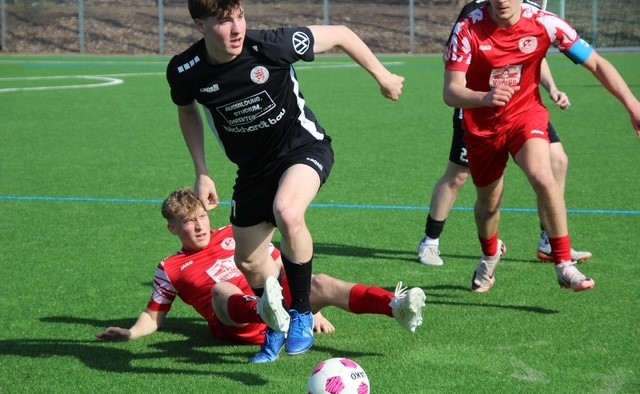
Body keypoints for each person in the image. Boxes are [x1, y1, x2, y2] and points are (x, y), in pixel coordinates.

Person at [165, 0, 404, 356]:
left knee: (288, 212)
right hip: (253, 171)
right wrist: (202, 171)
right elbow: (187, 112)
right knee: (248, 261)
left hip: (302, 148)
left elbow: (341, 34)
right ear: (201, 26)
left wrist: (383, 76)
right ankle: (275, 321)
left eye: (240, 17)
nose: (237, 28)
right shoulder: (186, 70)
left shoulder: (272, 45)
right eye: (225, 21)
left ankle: (302, 313)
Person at [96, 188, 426, 364]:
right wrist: (131, 333)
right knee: (221, 289)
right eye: (188, 222)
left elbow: (284, 266)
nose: (198, 226)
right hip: (236, 323)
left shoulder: (233, 233)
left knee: (321, 282)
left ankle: (394, 305)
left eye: (200, 217)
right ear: (172, 229)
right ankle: (266, 311)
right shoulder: (169, 267)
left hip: (281, 301)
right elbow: (154, 315)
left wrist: (311, 308)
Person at [443, 0, 640, 293]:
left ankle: (563, 263)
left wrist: (633, 106)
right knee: (488, 205)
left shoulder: (545, 23)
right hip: (482, 127)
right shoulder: (468, 28)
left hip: (525, 115)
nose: (502, 1)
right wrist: (484, 98)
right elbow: (451, 91)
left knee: (543, 175)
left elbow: (597, 63)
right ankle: (490, 254)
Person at [418, 0, 591, 267]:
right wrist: (483, 86)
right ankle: (430, 241)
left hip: (523, 106)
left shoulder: (530, 12)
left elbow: (535, 55)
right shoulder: (473, 14)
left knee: (558, 160)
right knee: (459, 175)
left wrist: (552, 88)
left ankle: (549, 239)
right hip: (479, 108)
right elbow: (451, 63)